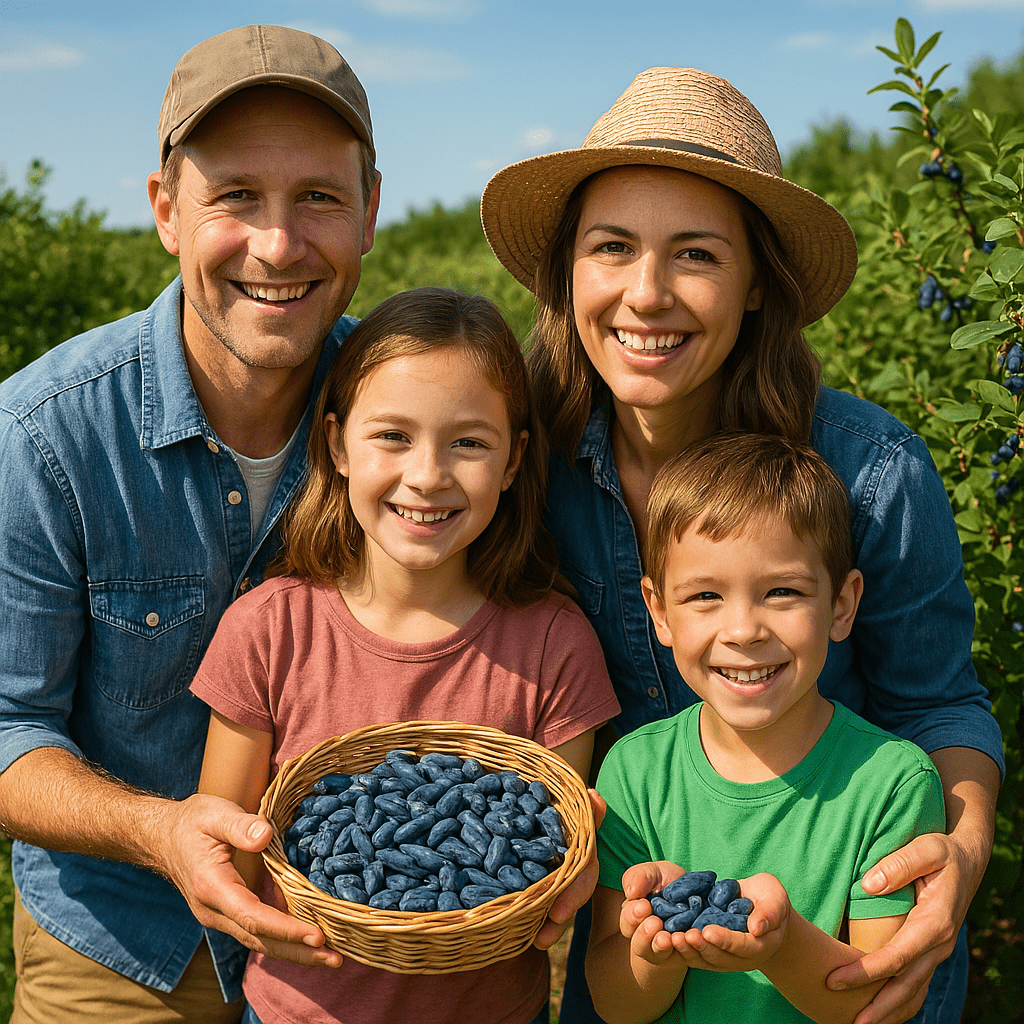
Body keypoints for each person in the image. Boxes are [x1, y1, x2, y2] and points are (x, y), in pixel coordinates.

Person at [480, 67, 1003, 1024]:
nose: (647, 294)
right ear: (569, 273)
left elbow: (942, 707)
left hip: (848, 956)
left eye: (695, 256)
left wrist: (961, 857)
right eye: (612, 248)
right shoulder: (518, 465)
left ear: (756, 283)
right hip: (644, 951)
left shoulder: (871, 474)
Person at [0, 24, 383, 1021]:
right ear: (167, 211)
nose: (279, 243)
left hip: (366, 943)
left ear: (371, 212)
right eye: (236, 197)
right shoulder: (44, 439)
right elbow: (6, 725)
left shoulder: (413, 422)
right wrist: (160, 831)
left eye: (318, 198)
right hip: (125, 939)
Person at [189, 286, 621, 1024]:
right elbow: (233, 849)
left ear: (515, 461)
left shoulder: (555, 642)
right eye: (393, 436)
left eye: (468, 442)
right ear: (336, 446)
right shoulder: (266, 629)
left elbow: (544, 845)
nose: (427, 475)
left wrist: (572, 873)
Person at [585, 432, 946, 1024]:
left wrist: (780, 942)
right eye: (705, 595)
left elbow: (878, 1003)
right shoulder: (633, 770)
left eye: (782, 592)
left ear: (841, 605)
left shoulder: (891, 783)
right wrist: (660, 944)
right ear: (658, 611)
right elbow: (616, 1002)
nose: (744, 629)